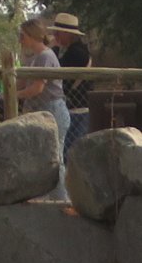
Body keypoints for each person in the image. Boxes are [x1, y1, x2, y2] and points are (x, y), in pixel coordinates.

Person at [14, 16, 71, 162]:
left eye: (23, 36)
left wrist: (14, 95)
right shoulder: (33, 58)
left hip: (52, 109)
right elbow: (21, 82)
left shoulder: (45, 57)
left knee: (54, 158)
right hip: (39, 111)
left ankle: (60, 186)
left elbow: (37, 88)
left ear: (32, 35)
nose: (20, 40)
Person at [49, 12, 93, 150]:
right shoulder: (74, 51)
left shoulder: (76, 53)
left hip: (78, 108)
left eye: (59, 33)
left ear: (70, 34)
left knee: (71, 151)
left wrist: (54, 48)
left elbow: (57, 72)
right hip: (75, 107)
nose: (55, 36)